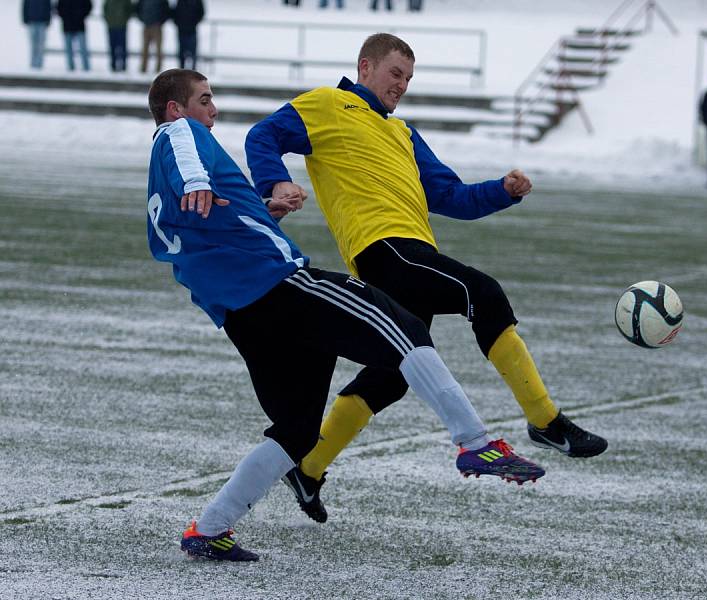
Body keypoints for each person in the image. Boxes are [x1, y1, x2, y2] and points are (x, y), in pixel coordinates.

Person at [147, 68, 545, 561]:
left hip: (242, 313)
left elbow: (216, 223)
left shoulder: (168, 178)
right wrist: (196, 179)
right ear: (175, 108)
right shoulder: (181, 138)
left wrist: (269, 206)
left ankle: (208, 529)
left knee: (295, 430)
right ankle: (474, 442)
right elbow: (183, 147)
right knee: (402, 325)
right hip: (277, 285)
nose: (214, 110)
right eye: (204, 100)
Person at [245, 33, 607, 524]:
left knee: (391, 376)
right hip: (382, 250)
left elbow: (451, 196)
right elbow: (261, 136)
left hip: (412, 253)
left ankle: (308, 468)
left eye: (409, 79)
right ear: (366, 66)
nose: (402, 86)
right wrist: (275, 181)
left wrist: (502, 191)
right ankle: (545, 420)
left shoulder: (403, 134)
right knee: (481, 292)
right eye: (396, 74)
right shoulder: (327, 104)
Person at [56, 0, 92, 72]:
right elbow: (59, 8)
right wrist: (65, 16)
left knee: (83, 49)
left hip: (79, 25)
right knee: (69, 50)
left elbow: (88, 6)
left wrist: (82, 15)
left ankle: (86, 69)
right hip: (68, 25)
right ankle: (71, 69)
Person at [137, 0, 169, 73]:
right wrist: (143, 19)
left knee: (158, 49)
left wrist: (161, 22)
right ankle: (143, 68)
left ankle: (158, 69)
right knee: (145, 48)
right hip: (146, 25)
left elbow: (166, 11)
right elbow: (138, 9)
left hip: (157, 26)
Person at [172, 0, 204, 70]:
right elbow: (174, 13)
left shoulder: (197, 1)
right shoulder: (180, 1)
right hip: (181, 30)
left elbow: (201, 13)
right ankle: (181, 71)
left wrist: (194, 22)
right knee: (181, 53)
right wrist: (178, 23)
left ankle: (193, 71)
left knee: (193, 54)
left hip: (192, 30)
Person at [102, 0, 134, 72]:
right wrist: (108, 20)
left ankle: (124, 66)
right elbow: (105, 9)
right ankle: (113, 65)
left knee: (123, 46)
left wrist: (124, 20)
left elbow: (130, 10)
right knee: (112, 46)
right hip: (111, 26)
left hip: (122, 26)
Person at [22, 0, 52, 70]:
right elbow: (25, 7)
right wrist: (25, 19)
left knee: (41, 45)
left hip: (42, 22)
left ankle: (39, 65)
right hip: (31, 21)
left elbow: (48, 8)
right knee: (33, 45)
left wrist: (48, 20)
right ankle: (33, 64)